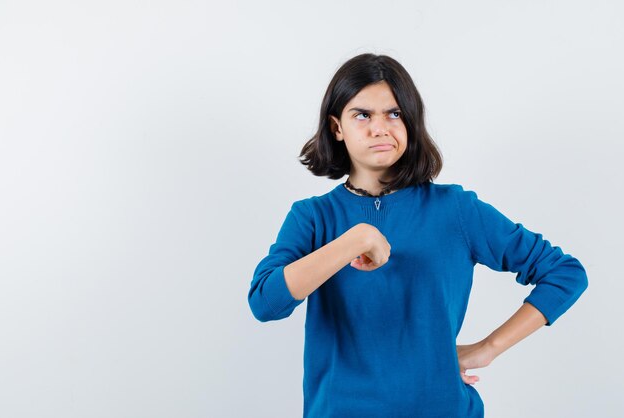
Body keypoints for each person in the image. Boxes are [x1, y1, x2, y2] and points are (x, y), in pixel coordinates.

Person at [247, 53, 588, 418]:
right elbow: (266, 303)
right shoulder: (312, 218)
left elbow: (565, 273)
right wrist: (355, 240)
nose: (380, 128)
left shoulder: (456, 210)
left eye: (394, 114)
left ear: (410, 122)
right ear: (336, 128)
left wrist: (489, 347)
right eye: (362, 115)